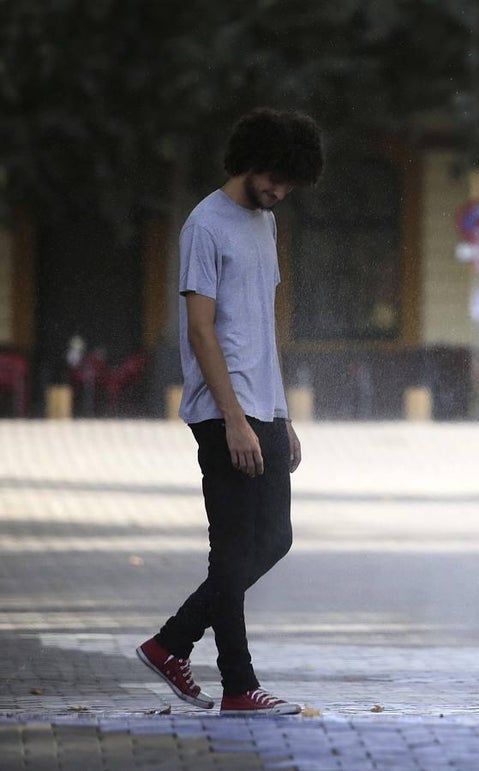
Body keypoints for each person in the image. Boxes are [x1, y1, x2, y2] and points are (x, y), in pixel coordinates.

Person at [136, 108, 323, 716]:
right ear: (249, 159)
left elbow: (262, 328)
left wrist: (281, 412)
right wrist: (237, 417)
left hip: (262, 407)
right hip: (223, 414)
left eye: (290, 183)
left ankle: (171, 643)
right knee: (234, 550)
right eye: (275, 177)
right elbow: (201, 330)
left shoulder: (264, 223)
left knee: (273, 540)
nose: (280, 190)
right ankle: (239, 686)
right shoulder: (204, 224)